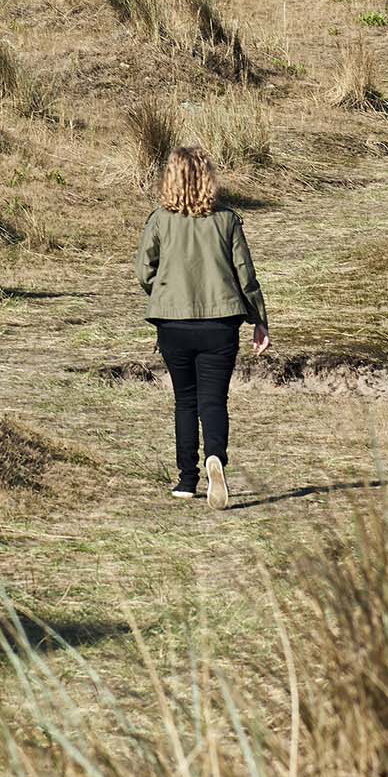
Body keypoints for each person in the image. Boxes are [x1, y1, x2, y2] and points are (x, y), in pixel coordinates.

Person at [136, 144, 270, 508]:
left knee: (184, 401)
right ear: (209, 178)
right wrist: (260, 320)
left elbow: (143, 271)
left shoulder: (159, 220)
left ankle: (186, 480)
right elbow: (246, 275)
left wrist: (163, 293)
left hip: (173, 324)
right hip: (220, 324)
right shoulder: (227, 220)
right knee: (214, 400)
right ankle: (215, 457)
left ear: (170, 178)